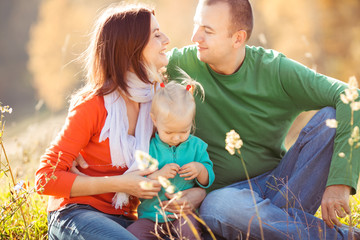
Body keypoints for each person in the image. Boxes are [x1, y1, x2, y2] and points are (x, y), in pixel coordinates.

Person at [165, 0, 360, 239]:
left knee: (330, 118)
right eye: (196, 25)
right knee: (219, 206)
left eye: (208, 30)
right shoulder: (179, 64)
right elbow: (134, 69)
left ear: (237, 38)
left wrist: (340, 182)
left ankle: (268, 229)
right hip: (223, 200)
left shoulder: (274, 69)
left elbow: (352, 98)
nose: (196, 36)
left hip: (280, 185)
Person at [35, 3, 171, 239]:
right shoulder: (93, 105)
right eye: (157, 35)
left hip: (126, 219)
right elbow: (45, 177)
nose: (167, 40)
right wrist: (120, 183)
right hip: (76, 213)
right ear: (131, 47)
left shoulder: (158, 103)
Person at [127, 80, 215, 239]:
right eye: (168, 132)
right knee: (132, 234)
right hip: (151, 216)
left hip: (182, 214)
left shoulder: (196, 146)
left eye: (184, 131)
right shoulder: (148, 148)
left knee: (190, 231)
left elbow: (208, 178)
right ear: (154, 120)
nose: (176, 137)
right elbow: (138, 183)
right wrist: (157, 175)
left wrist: (200, 169)